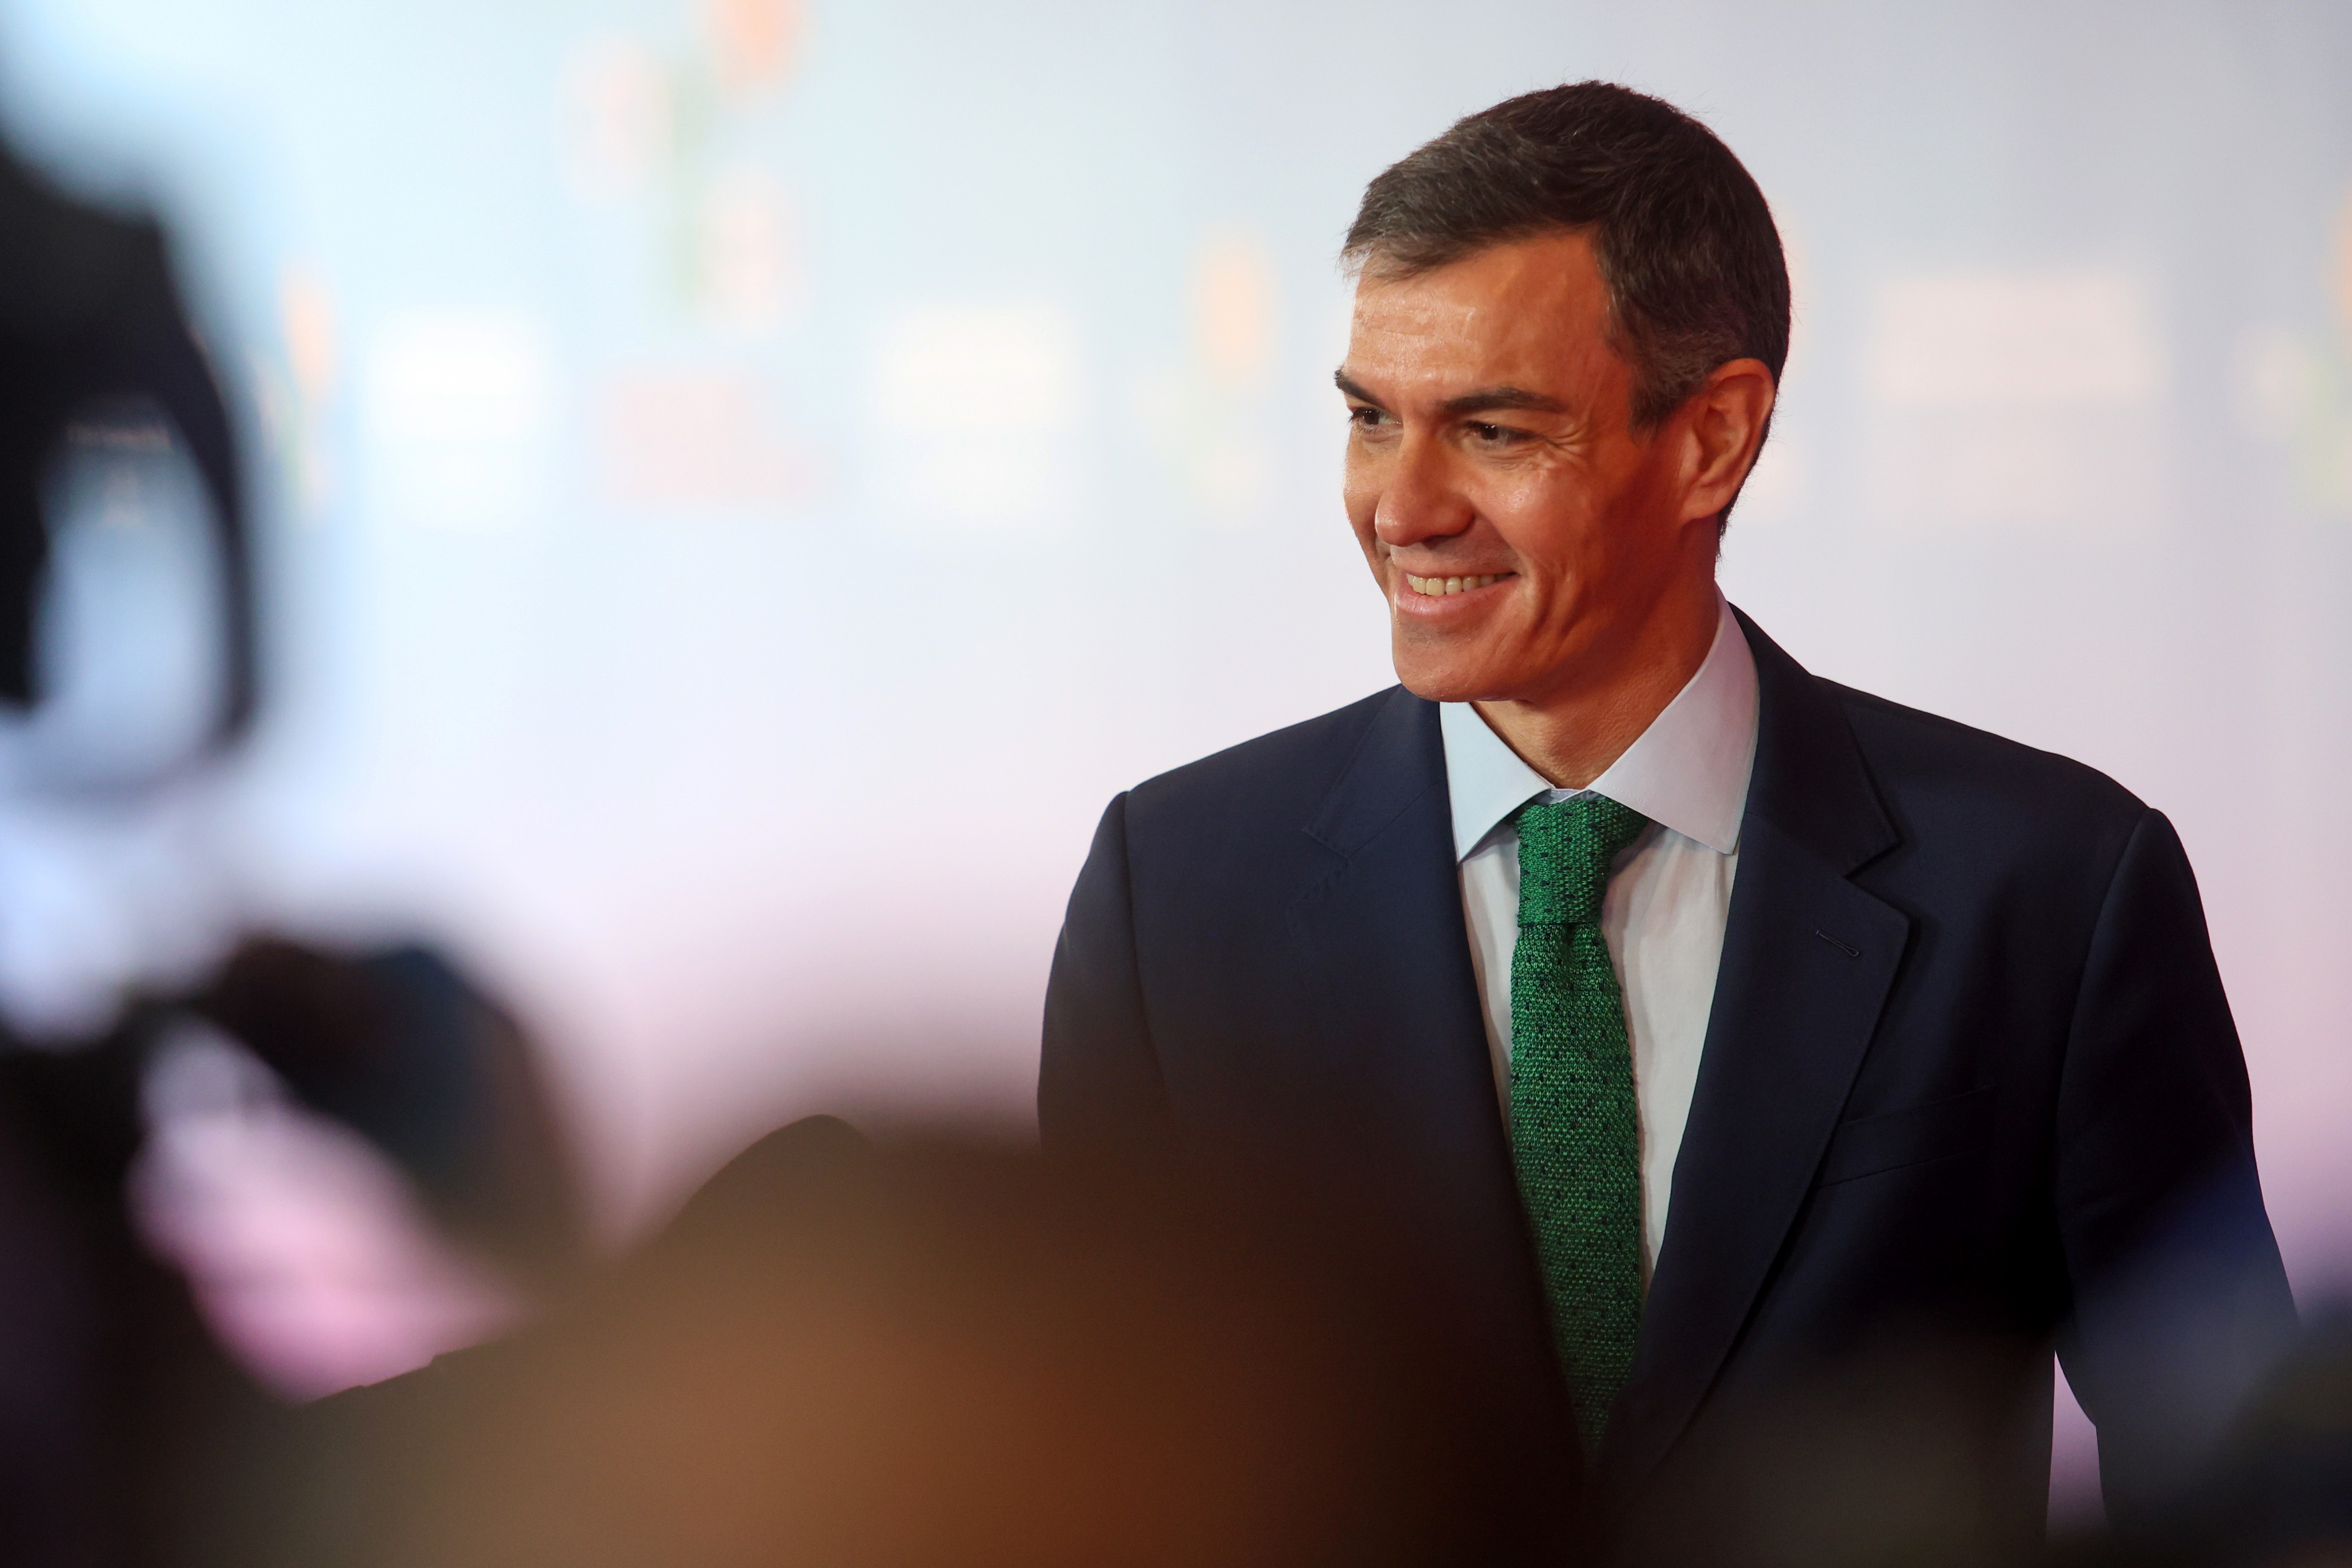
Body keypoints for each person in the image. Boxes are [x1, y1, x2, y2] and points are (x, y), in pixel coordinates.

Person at [1040, 81, 2296, 1564]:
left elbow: (2242, 1497)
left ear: (1713, 438)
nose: (1402, 505)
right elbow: (1072, 1477)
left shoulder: (2049, 892)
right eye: (1373, 420)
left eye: (1492, 430)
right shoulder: (1175, 893)